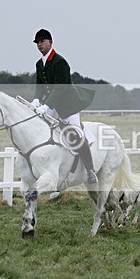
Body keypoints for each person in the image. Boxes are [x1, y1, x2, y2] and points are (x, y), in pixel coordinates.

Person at [30, 28, 98, 184]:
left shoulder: (60, 62)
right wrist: (35, 100)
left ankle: (90, 170)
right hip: (52, 104)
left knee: (76, 134)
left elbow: (60, 88)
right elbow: (40, 86)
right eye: (37, 42)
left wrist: (46, 106)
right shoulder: (39, 64)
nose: (40, 45)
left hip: (68, 105)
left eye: (42, 41)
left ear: (50, 42)